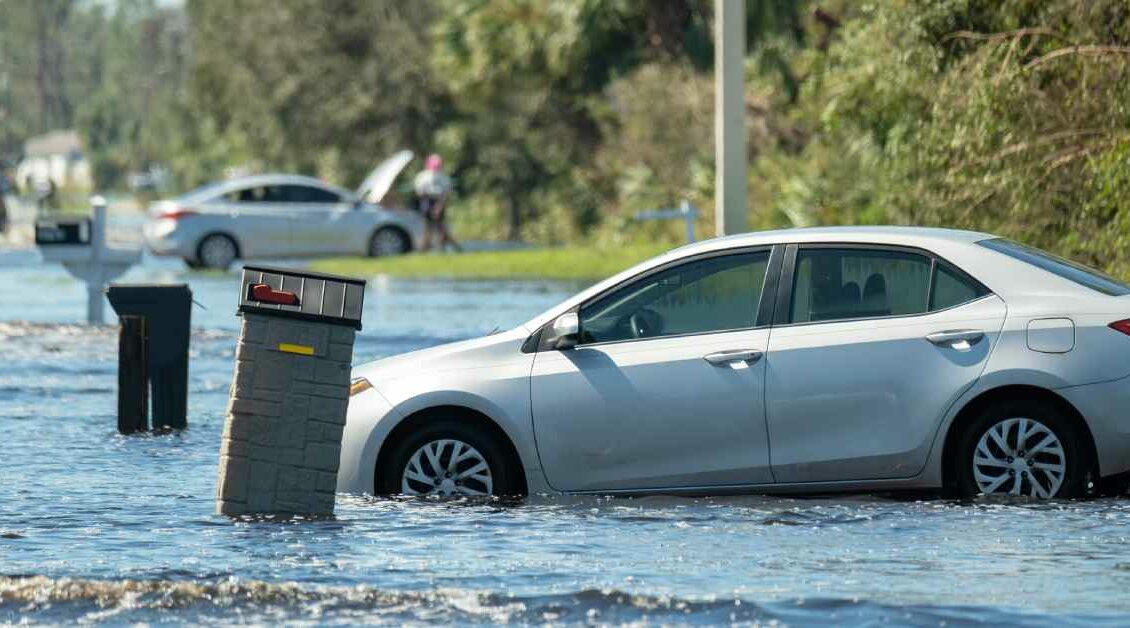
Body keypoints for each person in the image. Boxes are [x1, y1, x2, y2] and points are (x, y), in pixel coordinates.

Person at [413, 153, 461, 252]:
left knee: (441, 228)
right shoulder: (423, 176)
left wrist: (439, 207)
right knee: (427, 228)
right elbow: (419, 192)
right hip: (427, 201)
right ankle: (424, 249)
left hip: (439, 201)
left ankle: (444, 248)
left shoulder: (443, 177)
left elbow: (445, 194)